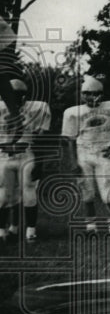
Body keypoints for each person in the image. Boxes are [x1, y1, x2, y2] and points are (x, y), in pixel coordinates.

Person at [61, 76, 110, 233]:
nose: (91, 97)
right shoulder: (74, 112)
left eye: (95, 93)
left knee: (108, 189)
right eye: (87, 93)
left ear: (101, 93)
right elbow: (70, 140)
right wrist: (73, 162)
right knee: (87, 191)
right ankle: (90, 226)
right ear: (82, 94)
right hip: (83, 152)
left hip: (102, 153)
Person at [0, 78, 52, 243]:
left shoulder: (37, 108)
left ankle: (30, 230)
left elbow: (41, 139)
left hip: (26, 154)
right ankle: (4, 229)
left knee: (28, 190)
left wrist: (40, 162)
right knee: (4, 195)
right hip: (4, 155)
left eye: (17, 95)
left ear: (24, 96)